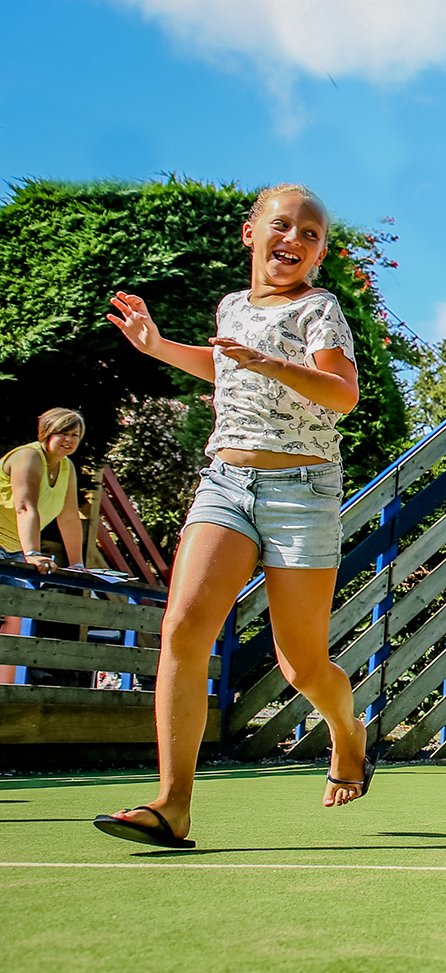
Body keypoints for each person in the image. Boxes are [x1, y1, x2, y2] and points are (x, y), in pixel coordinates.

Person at [94, 185, 370, 849]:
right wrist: (158, 345)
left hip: (301, 490)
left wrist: (274, 363)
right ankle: (173, 804)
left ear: (320, 253)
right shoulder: (231, 307)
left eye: (309, 234)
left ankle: (346, 730)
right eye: (282, 226)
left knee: (301, 665)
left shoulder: (319, 310)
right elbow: (226, 369)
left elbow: (343, 393)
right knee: (184, 626)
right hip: (226, 483)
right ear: (252, 233)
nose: (294, 239)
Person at [1, 409, 87, 686]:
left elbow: (70, 517)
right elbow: (25, 506)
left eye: (75, 435)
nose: (69, 440)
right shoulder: (27, 456)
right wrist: (34, 554)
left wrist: (78, 565)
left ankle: (7, 690)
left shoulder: (67, 467)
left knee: (18, 621)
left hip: (14, 548)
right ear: (47, 433)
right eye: (63, 433)